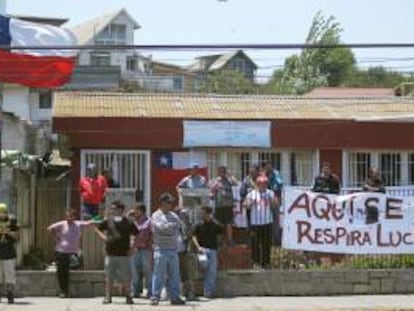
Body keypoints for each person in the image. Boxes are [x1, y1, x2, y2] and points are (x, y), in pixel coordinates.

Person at [94, 200, 137, 305]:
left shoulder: (128, 222)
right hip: (110, 254)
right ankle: (108, 297)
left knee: (126, 277)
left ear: (120, 210)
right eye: (112, 208)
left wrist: (133, 247)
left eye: (114, 208)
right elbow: (97, 229)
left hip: (124, 254)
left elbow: (136, 234)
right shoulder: (108, 221)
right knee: (109, 277)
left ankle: (128, 297)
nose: (112, 210)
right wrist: (103, 236)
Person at [47, 209, 92, 298]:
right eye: (67, 216)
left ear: (74, 217)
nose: (68, 218)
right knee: (62, 272)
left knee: (73, 268)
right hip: (61, 251)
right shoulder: (62, 224)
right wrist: (56, 237)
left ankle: (69, 290)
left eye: (71, 216)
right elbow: (49, 228)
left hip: (73, 252)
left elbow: (89, 223)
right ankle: (63, 291)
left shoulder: (78, 224)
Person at [150, 192, 185, 306]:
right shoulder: (156, 215)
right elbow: (160, 229)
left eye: (171, 202)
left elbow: (178, 227)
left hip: (173, 249)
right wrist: (170, 227)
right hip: (161, 249)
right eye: (169, 202)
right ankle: (155, 296)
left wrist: (168, 227)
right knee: (159, 275)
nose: (171, 204)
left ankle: (175, 297)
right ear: (163, 203)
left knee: (175, 275)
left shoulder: (174, 216)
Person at [243, 175, 277, 269]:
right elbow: (245, 205)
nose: (263, 185)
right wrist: (250, 203)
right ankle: (256, 263)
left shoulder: (270, 193)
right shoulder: (251, 194)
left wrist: (272, 201)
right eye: (260, 184)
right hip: (255, 224)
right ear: (257, 184)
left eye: (265, 183)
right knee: (255, 244)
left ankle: (266, 262)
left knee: (266, 243)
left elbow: (275, 205)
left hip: (267, 222)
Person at [192, 206, 223, 299]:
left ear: (209, 214)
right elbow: (193, 236)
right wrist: (198, 247)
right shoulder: (198, 224)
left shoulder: (216, 225)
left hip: (213, 250)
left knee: (212, 272)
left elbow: (220, 237)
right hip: (202, 250)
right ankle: (193, 290)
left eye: (204, 213)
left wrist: (219, 248)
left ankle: (208, 292)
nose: (203, 215)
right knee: (202, 268)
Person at [209, 166, 238, 246]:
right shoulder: (214, 180)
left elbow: (236, 183)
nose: (222, 173)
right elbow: (211, 190)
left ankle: (230, 240)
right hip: (219, 206)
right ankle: (220, 241)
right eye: (220, 172)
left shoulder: (229, 180)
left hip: (228, 205)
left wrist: (229, 175)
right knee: (219, 224)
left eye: (223, 172)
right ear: (218, 172)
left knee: (229, 224)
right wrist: (217, 183)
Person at [129, 202, 152, 299]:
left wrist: (149, 245)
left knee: (148, 271)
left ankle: (150, 291)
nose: (134, 212)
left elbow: (152, 234)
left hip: (145, 249)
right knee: (134, 271)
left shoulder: (149, 221)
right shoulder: (133, 221)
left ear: (141, 211)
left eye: (136, 210)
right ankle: (136, 291)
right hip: (135, 249)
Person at [173, 204, 196, 301]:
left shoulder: (187, 226)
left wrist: (187, 238)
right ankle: (173, 292)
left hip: (184, 251)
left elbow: (190, 236)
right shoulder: (173, 224)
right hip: (173, 251)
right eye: (180, 214)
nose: (182, 217)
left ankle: (189, 292)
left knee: (185, 273)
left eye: (184, 215)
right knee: (172, 273)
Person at [0, 203, 19, 304]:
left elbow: (17, 237)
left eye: (3, 212)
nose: (2, 214)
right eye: (0, 212)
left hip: (8, 253)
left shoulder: (12, 221)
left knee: (10, 275)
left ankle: (10, 294)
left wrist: (7, 232)